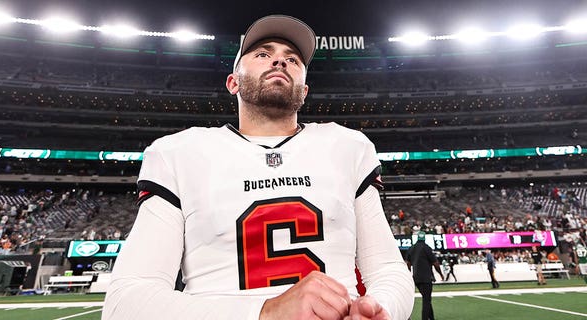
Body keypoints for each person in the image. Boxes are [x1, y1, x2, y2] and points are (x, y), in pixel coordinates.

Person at [102, 14, 414, 320]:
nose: (280, 61)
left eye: (292, 59)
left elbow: (389, 270)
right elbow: (125, 304)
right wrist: (266, 312)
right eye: (263, 53)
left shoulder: (348, 147)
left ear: (304, 92)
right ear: (233, 82)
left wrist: (381, 308)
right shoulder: (177, 153)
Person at [406, 231, 444, 320]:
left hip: (416, 278)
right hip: (426, 278)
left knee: (426, 299)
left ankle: (432, 318)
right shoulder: (426, 248)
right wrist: (441, 274)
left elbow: (408, 263)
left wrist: (409, 272)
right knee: (426, 300)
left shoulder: (412, 248)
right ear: (424, 238)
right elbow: (435, 263)